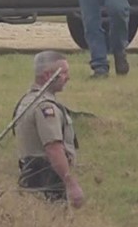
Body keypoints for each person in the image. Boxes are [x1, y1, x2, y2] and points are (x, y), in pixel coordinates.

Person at [12, 50, 84, 208]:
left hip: (29, 176)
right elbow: (53, 148)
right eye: (64, 73)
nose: (68, 78)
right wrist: (70, 183)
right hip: (47, 178)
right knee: (55, 222)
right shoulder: (45, 107)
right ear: (47, 76)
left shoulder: (27, 100)